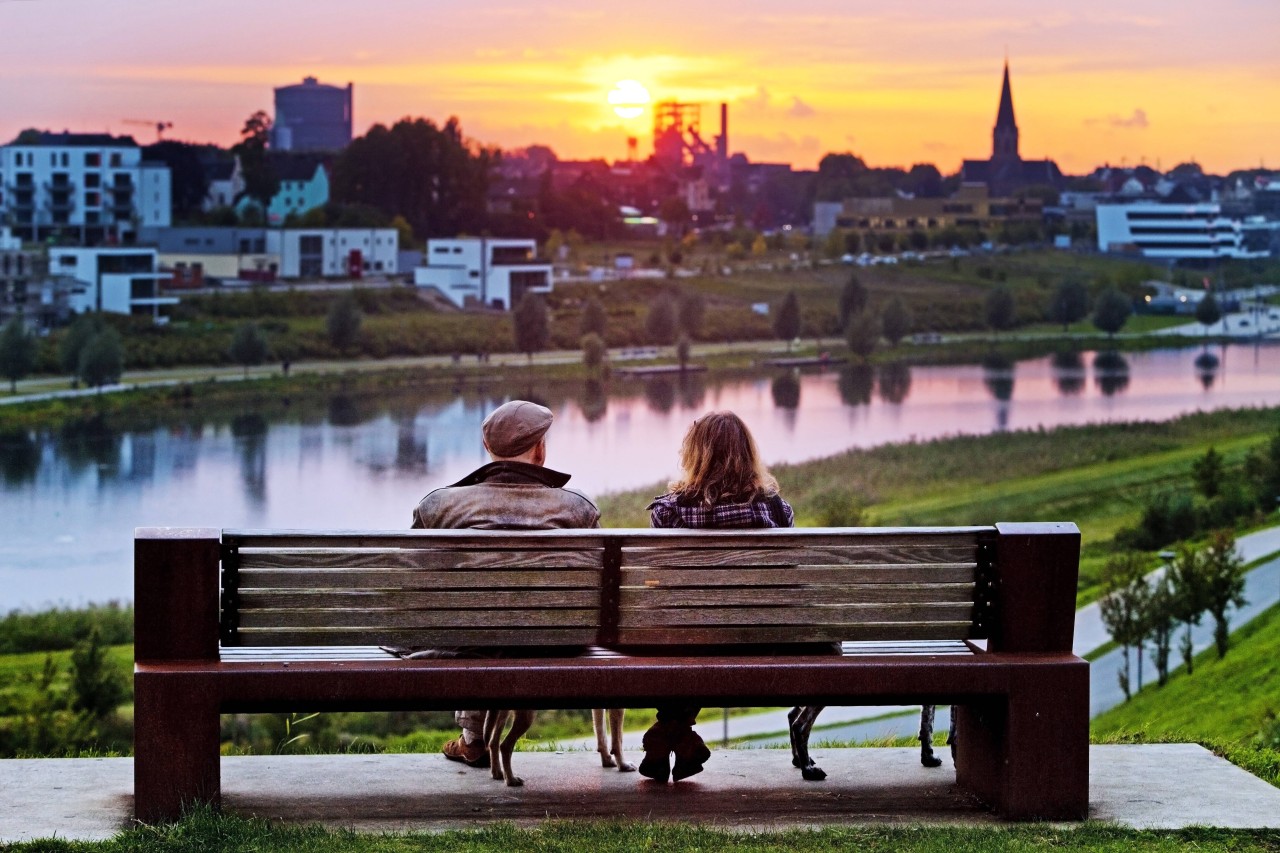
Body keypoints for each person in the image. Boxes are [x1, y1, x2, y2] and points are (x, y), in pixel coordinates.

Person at [410, 399, 600, 768]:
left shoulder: (438, 506)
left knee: (475, 628)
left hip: (467, 642)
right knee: (494, 628)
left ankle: (472, 739)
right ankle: (476, 738)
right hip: (555, 644)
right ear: (541, 450)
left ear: (488, 451)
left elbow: (417, 588)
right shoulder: (578, 509)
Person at [639, 411, 794, 783]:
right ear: (747, 454)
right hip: (757, 640)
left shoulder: (668, 512)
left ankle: (665, 735)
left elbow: (657, 586)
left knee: (685, 636)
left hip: (685, 639)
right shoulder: (774, 510)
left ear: (695, 454)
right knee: (703, 636)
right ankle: (675, 737)